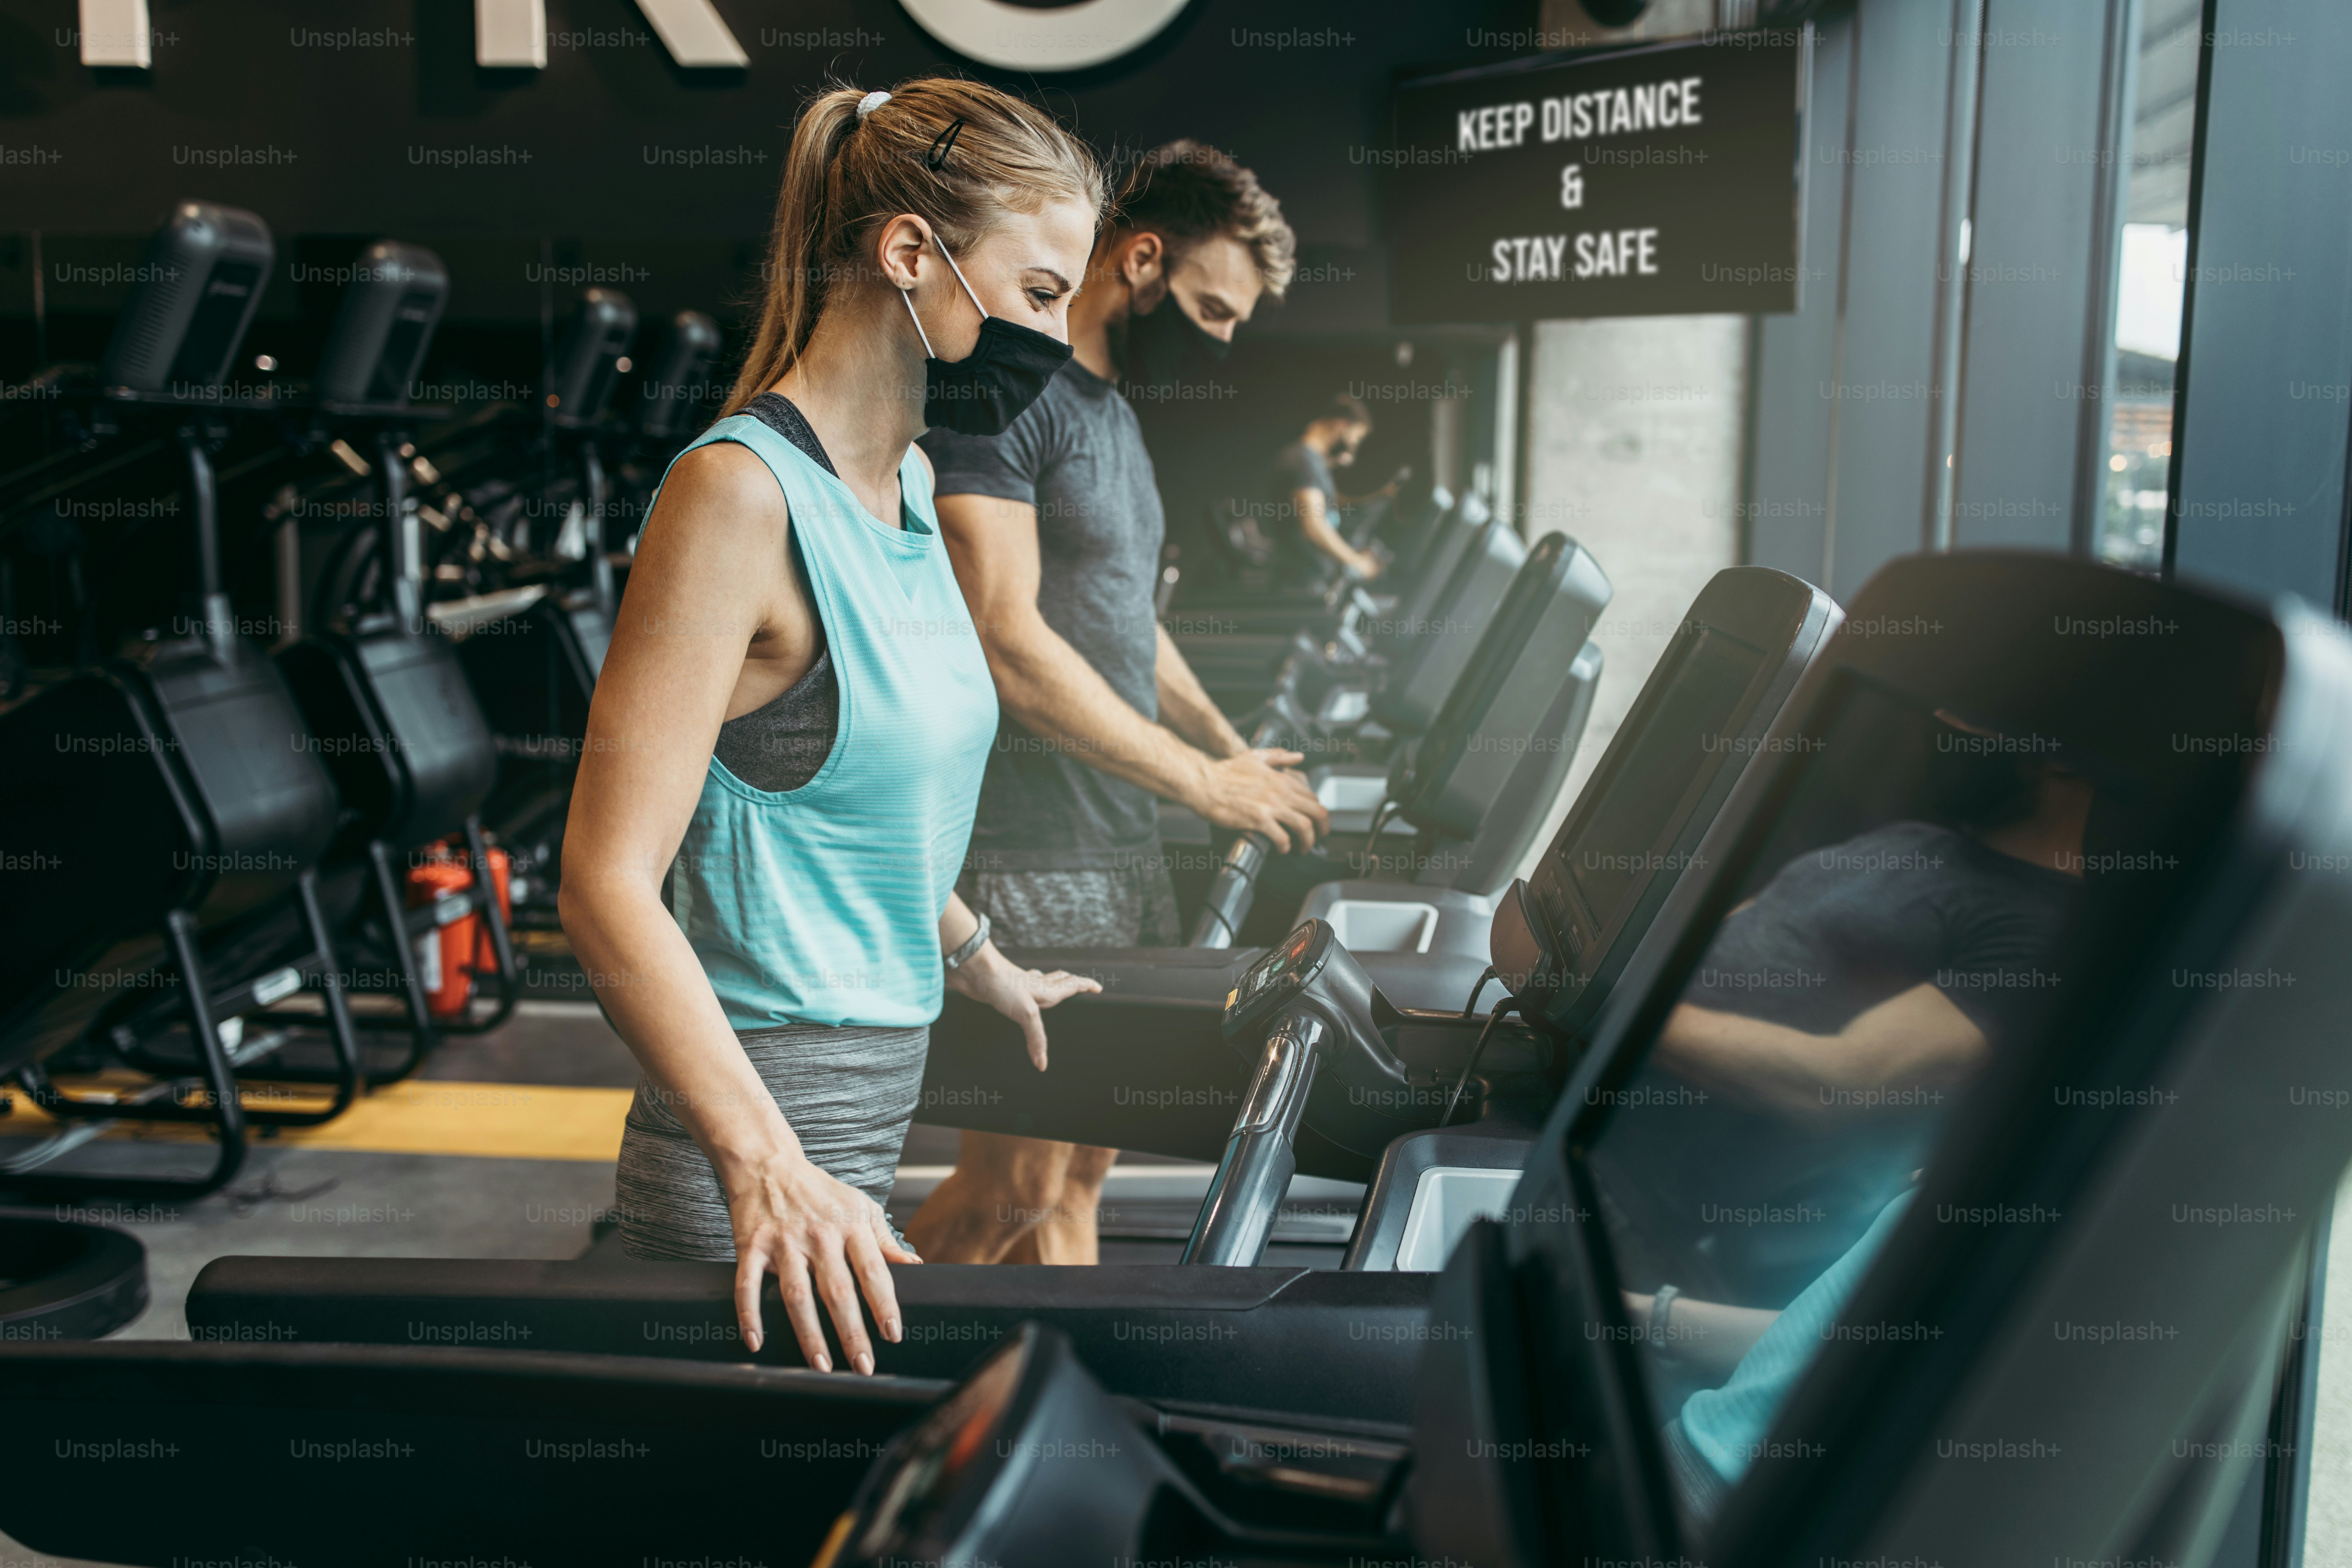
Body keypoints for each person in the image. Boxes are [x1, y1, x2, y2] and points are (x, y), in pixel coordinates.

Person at [559, 79, 1110, 1373]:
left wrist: (975, 950)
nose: (1058, 334)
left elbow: (841, 792)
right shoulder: (737, 498)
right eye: (1037, 294)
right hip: (744, 1163)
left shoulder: (911, 486)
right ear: (910, 253)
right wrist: (764, 1166)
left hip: (862, 1121)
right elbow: (601, 883)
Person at [905, 140, 1329, 1266]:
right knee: (1010, 1186)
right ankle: (866, 1398)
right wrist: (1202, 782)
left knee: (1083, 1167)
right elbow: (1006, 639)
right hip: (1023, 845)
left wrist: (1235, 753)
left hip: (1117, 834)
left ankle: (1080, 1410)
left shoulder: (1113, 417)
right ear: (1142, 258)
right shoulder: (1000, 395)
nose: (1225, 340)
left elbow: (1127, 622)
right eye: (1211, 307)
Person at [1266, 393, 1392, 585]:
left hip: (1316, 575)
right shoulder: (1303, 461)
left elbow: (1327, 504)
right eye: (1355, 438)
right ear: (1341, 425)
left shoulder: (1314, 462)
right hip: (1304, 581)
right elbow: (1313, 526)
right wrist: (1355, 561)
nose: (1353, 447)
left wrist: (1381, 495)